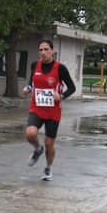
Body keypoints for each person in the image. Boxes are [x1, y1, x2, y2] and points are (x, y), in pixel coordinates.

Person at [23, 39, 76, 181]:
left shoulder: (60, 68)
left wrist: (62, 96)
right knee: (30, 134)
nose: (43, 53)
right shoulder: (35, 65)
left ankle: (48, 169)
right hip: (37, 106)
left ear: (52, 51)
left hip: (53, 109)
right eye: (41, 50)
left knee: (49, 143)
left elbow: (72, 87)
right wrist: (28, 89)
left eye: (46, 49)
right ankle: (37, 148)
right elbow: (32, 83)